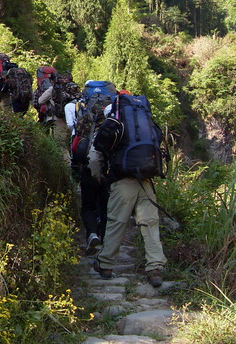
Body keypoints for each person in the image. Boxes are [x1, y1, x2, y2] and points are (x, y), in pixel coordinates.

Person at [89, 94, 167, 287]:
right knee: (150, 224)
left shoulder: (113, 125)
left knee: (117, 222)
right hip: (146, 181)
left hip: (122, 181)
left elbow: (94, 157)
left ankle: (106, 265)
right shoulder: (147, 124)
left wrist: (100, 178)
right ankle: (155, 269)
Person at [66, 98, 108, 255]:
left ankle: (91, 234)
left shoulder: (86, 119)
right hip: (106, 172)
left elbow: (77, 144)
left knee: (88, 205)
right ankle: (105, 245)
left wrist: (76, 166)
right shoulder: (114, 122)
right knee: (105, 208)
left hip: (88, 169)